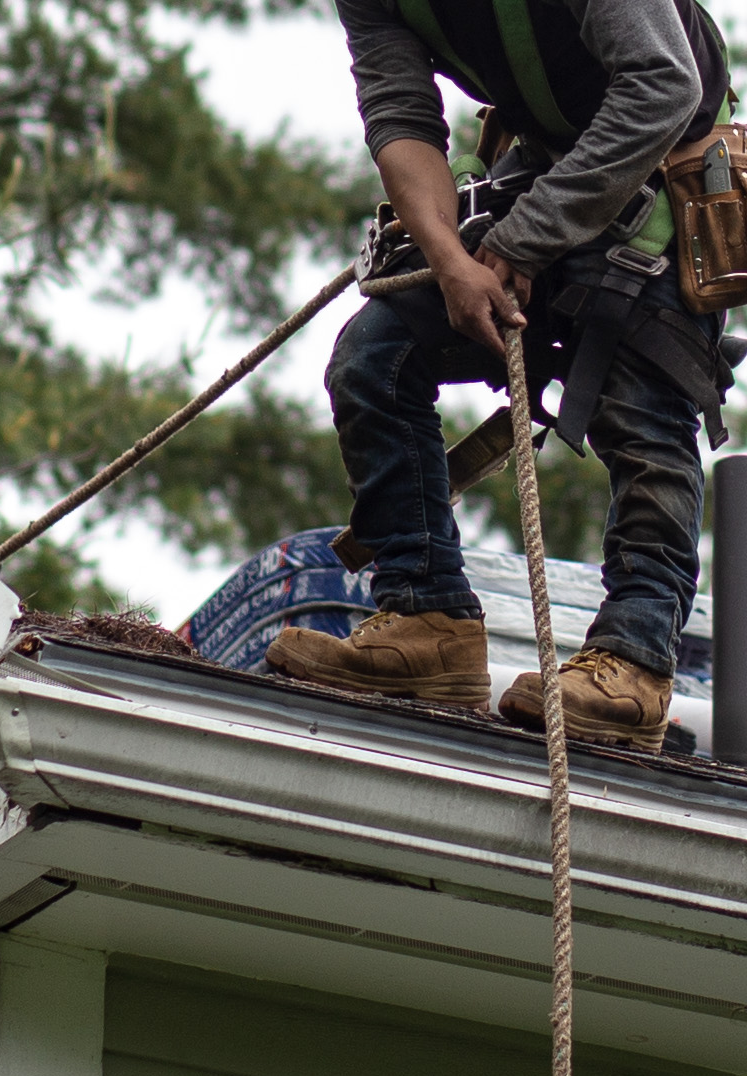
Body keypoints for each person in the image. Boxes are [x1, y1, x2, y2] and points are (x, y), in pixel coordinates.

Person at [266, 0, 733, 754]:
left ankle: (635, 662)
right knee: (375, 361)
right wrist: (450, 261)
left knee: (641, 411)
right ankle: (428, 621)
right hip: (542, 166)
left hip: (664, 167)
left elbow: (662, 86)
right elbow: (401, 118)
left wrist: (525, 237)